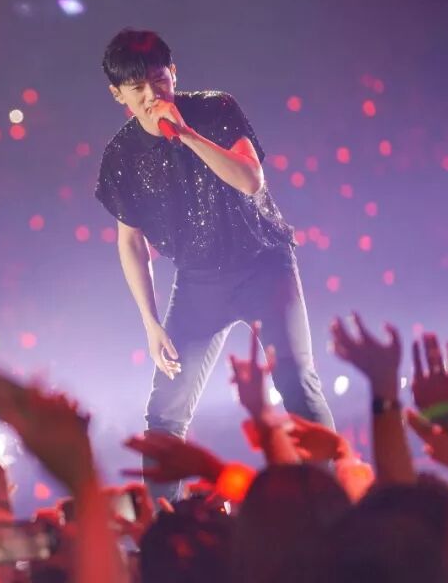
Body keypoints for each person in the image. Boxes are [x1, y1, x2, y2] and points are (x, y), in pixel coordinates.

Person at [95, 28, 334, 500]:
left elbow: (250, 179)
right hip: (198, 284)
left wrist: (185, 134)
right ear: (117, 94)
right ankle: (163, 522)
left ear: (173, 73)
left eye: (159, 81)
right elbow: (130, 243)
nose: (152, 96)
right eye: (137, 88)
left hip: (264, 265)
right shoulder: (120, 156)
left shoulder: (215, 109)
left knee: (297, 386)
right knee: (165, 412)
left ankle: (329, 503)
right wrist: (150, 321)